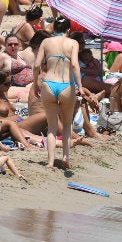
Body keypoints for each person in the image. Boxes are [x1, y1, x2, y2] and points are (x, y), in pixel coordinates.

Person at [33, 16, 83, 172]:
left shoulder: (46, 42)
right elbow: (74, 65)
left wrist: (36, 83)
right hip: (66, 85)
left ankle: (49, 162)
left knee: (52, 128)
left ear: (54, 29)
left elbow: (36, 65)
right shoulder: (73, 43)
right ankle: (66, 157)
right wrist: (80, 86)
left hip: (49, 84)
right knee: (67, 125)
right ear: (69, 30)